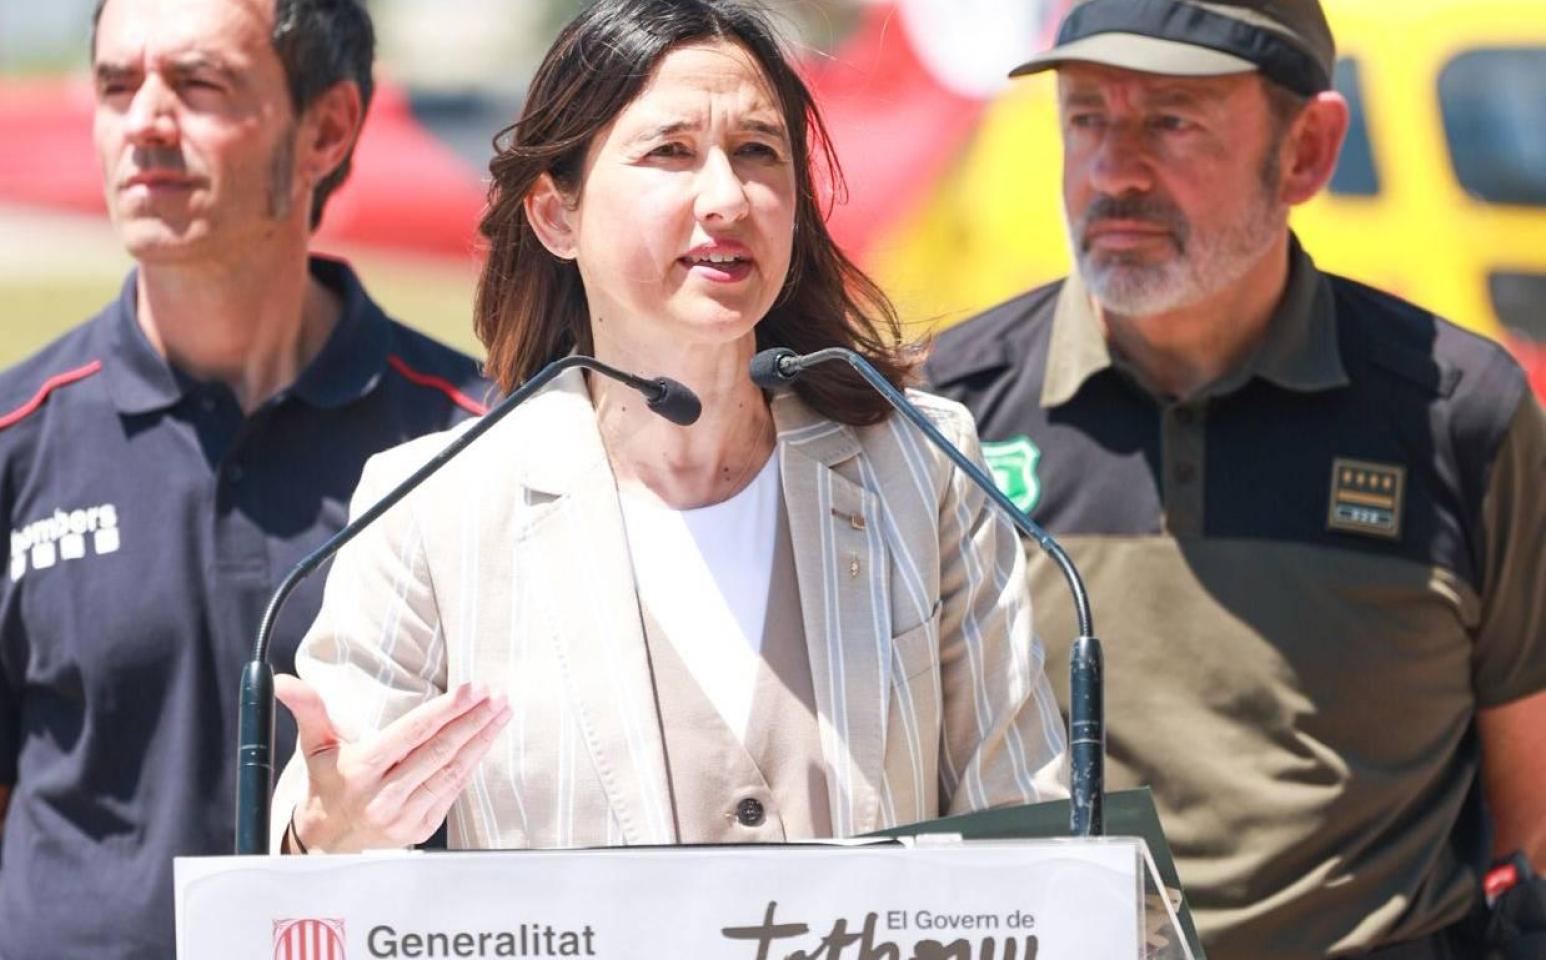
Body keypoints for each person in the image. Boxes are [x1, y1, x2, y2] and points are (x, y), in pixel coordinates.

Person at [267, 0, 1069, 856]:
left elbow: (1021, 835)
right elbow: (321, 856)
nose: (726, 196)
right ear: (555, 216)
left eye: (759, 152)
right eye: (671, 153)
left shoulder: (925, 467)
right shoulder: (430, 509)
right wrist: (329, 834)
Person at [0, 0, 486, 956]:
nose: (143, 119)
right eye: (114, 85)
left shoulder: (476, 444)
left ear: (329, 126)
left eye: (198, 84)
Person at [925, 1, 1546, 956]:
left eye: (1171, 122)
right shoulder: (951, 411)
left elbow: (1533, 816)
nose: (1114, 170)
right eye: (1086, 116)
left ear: (1307, 150)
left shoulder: (1458, 413)